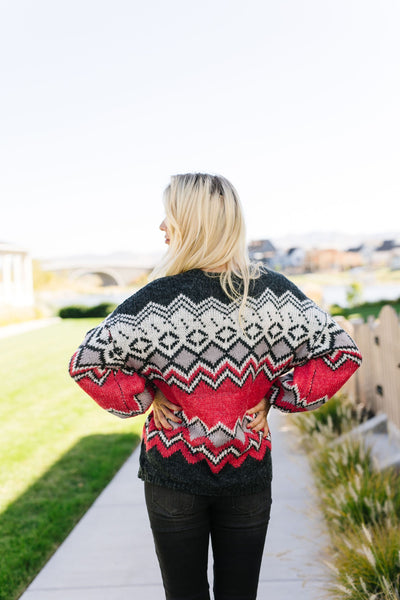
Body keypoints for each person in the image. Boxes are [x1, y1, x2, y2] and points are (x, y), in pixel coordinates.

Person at [69, 172, 362, 600]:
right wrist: (278, 396)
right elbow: (341, 354)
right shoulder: (276, 294)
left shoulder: (154, 300)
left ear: (191, 223)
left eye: (168, 216)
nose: (161, 227)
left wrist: (145, 395)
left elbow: (87, 363)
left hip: (174, 474)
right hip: (248, 466)